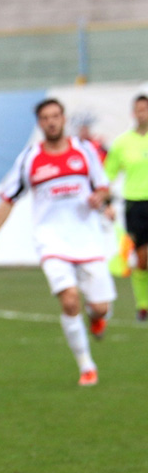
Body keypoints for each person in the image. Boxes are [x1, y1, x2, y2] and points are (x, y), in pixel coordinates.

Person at [0, 98, 115, 386]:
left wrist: (101, 199)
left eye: (56, 116)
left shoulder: (85, 150)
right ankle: (86, 365)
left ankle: (97, 317)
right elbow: (9, 198)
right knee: (69, 301)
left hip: (87, 238)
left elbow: (103, 186)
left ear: (64, 119)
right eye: (45, 117)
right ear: (40, 123)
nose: (51, 121)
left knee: (101, 307)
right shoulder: (30, 158)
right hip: (51, 241)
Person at [104, 94, 148, 322]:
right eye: (139, 109)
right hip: (136, 205)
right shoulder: (122, 143)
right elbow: (107, 175)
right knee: (142, 260)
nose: (142, 113)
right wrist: (106, 202)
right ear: (133, 113)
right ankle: (143, 305)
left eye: (146, 109)